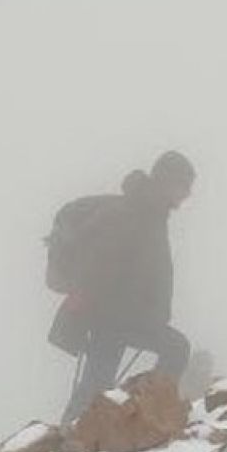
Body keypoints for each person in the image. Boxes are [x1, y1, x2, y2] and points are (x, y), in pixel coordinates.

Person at [58, 151, 195, 423]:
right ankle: (152, 413)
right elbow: (100, 260)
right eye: (184, 186)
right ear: (167, 182)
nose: (187, 194)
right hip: (115, 313)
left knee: (96, 381)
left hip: (116, 313)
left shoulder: (149, 212)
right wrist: (82, 300)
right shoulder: (133, 212)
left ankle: (70, 431)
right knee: (176, 348)